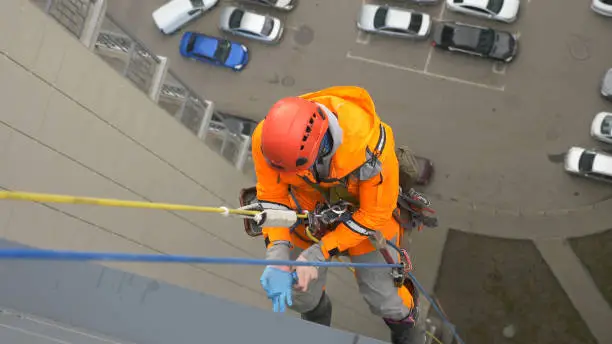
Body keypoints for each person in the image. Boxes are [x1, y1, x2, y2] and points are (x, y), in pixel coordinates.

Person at [251, 86, 420, 344]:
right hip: (308, 216)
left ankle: (405, 326)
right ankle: (317, 319)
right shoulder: (267, 142)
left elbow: (374, 214)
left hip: (364, 220)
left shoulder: (371, 150)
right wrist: (277, 255)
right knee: (300, 292)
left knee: (383, 296)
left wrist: (318, 254)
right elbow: (272, 197)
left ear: (321, 148)